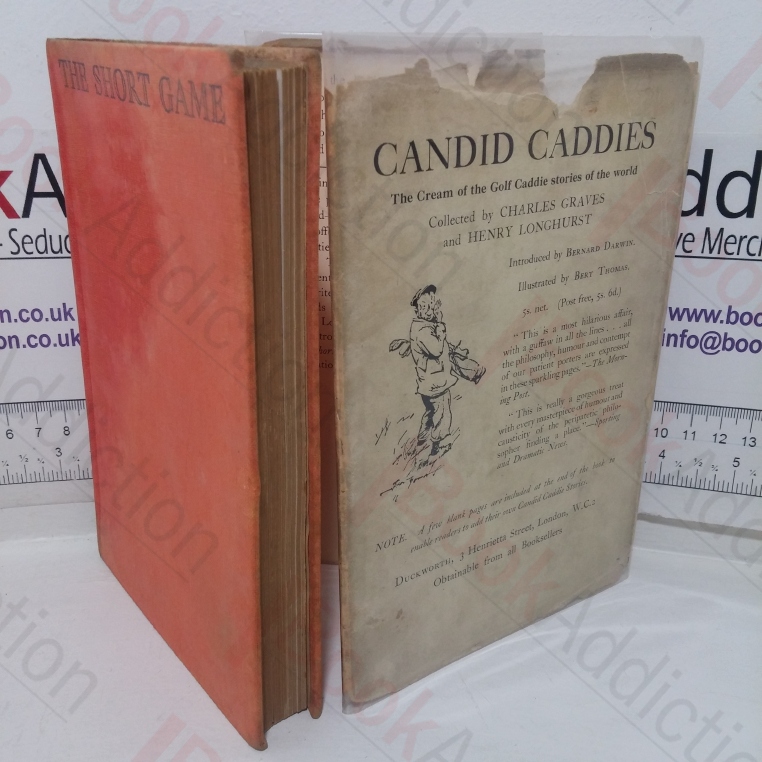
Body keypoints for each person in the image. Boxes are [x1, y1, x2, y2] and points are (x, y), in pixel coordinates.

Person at [409, 285, 457, 459]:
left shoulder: (424, 326)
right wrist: (441, 328)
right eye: (427, 307)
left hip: (429, 383)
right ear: (419, 309)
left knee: (431, 413)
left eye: (433, 306)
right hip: (435, 383)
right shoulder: (423, 330)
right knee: (442, 414)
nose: (432, 311)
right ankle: (437, 448)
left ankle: (421, 442)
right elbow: (436, 350)